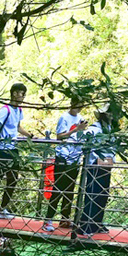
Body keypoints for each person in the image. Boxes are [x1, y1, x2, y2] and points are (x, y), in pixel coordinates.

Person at [0, 84, 35, 220]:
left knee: (13, 179)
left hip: (13, 149)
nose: (22, 96)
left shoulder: (18, 110)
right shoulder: (5, 110)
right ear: (13, 94)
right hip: (2, 149)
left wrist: (29, 135)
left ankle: (2, 209)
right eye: (20, 93)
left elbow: (17, 127)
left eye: (24, 94)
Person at [42, 98, 87, 232]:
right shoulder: (64, 118)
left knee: (69, 190)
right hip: (63, 157)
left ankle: (65, 218)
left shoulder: (80, 117)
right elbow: (59, 136)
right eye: (77, 106)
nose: (78, 109)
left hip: (75, 158)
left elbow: (80, 135)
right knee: (58, 189)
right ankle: (48, 219)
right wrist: (76, 130)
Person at [75, 108, 117, 237]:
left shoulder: (110, 129)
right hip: (95, 164)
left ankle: (97, 222)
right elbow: (84, 141)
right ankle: (85, 224)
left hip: (106, 165)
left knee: (103, 194)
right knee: (92, 193)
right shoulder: (95, 128)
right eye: (108, 113)